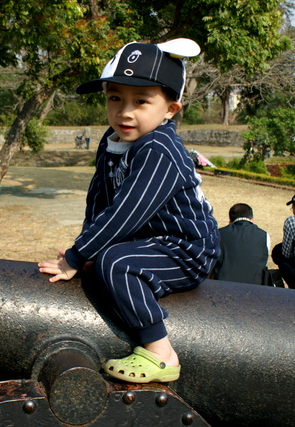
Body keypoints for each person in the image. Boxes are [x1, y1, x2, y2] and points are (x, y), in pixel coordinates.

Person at [38, 39, 219, 384]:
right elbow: (100, 199)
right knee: (106, 260)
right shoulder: (112, 142)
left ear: (170, 109)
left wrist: (77, 256)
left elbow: (127, 212)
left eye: (141, 101)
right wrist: (87, 248)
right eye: (115, 97)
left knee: (117, 264)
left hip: (186, 247)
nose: (125, 111)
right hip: (151, 241)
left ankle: (161, 353)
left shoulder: (159, 147)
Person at [213, 203, 270, 285]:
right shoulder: (264, 235)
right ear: (252, 220)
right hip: (255, 288)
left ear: (230, 222)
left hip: (223, 286)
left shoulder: (219, 233)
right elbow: (264, 262)